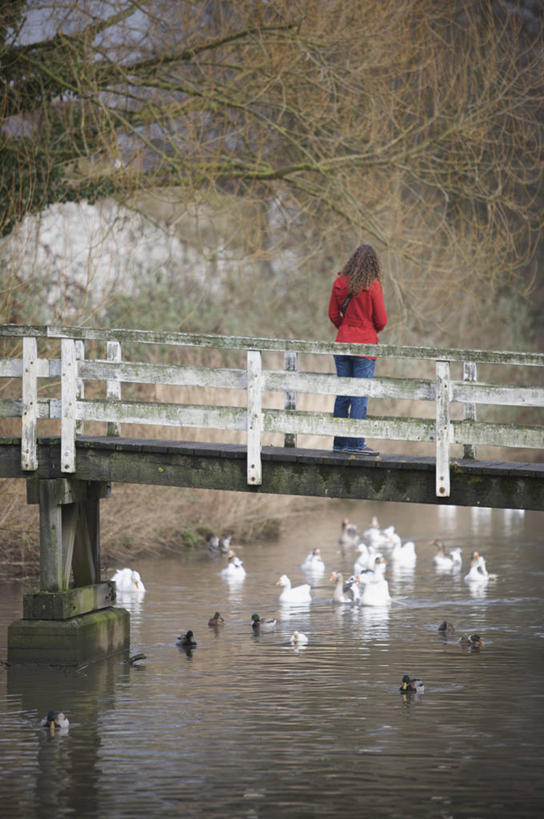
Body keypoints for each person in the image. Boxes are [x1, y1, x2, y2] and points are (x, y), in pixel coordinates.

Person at [328, 243, 388, 454]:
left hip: (343, 343)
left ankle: (339, 443)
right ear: (373, 264)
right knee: (360, 395)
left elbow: (333, 314)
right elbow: (381, 320)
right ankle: (356, 445)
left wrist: (345, 329)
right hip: (365, 347)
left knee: (343, 394)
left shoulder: (338, 283)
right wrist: (368, 330)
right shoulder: (372, 286)